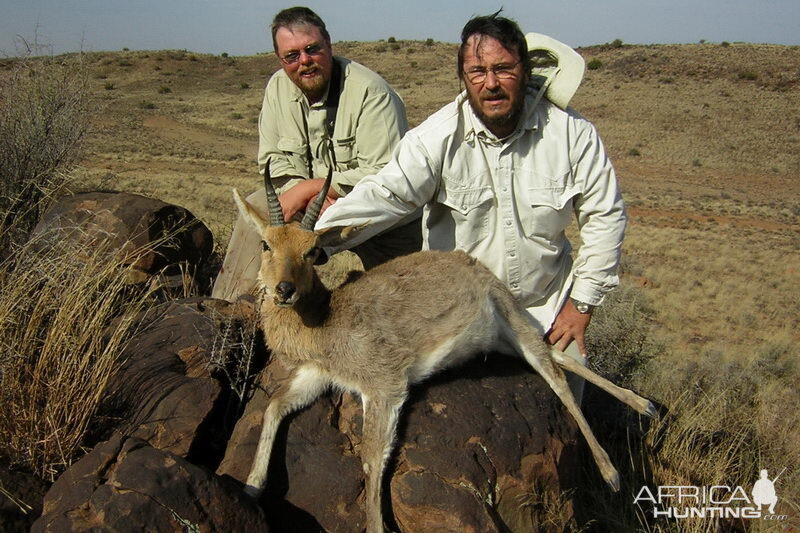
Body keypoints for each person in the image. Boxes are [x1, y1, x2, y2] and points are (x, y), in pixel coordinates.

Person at [316, 12, 627, 399]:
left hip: (545, 310)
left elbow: (605, 217)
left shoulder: (572, 135)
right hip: (459, 312)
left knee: (570, 395)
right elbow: (387, 194)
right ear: (463, 78)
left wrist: (581, 306)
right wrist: (316, 241)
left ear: (526, 71)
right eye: (477, 71)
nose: (491, 83)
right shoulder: (436, 137)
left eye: (503, 68)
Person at [212, 6, 420, 301]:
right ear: (280, 59)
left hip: (373, 215)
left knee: (404, 301)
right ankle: (229, 312)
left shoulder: (372, 93)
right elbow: (274, 162)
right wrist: (304, 196)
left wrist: (314, 188)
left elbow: (387, 175)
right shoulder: (277, 89)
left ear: (329, 45)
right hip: (310, 211)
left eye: (312, 49)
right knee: (258, 206)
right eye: (292, 56)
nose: (304, 61)